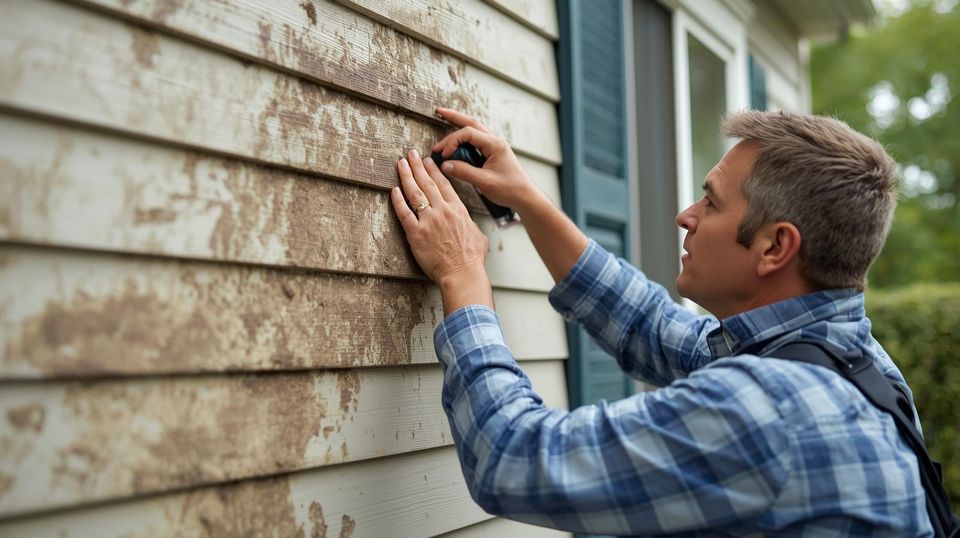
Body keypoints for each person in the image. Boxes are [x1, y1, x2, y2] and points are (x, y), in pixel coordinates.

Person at [390, 107, 931, 535]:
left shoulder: (773, 408)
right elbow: (652, 327)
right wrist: (529, 200)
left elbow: (512, 458)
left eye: (711, 203)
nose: (686, 216)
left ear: (774, 247)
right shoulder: (854, 368)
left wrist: (463, 275)